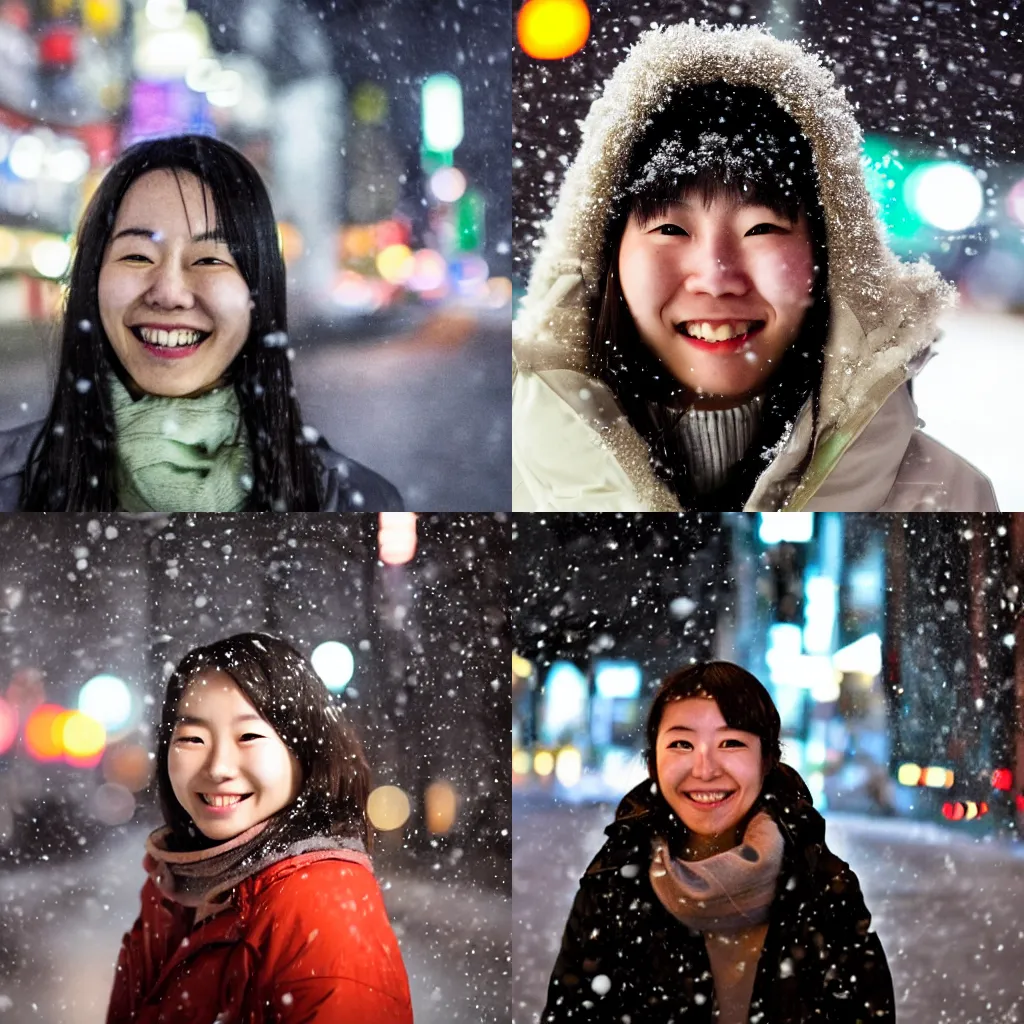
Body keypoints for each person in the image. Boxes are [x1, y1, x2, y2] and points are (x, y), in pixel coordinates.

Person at [512, 22, 997, 512]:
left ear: (830, 258)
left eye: (762, 229)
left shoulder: (947, 495)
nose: (717, 277)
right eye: (671, 230)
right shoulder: (509, 478)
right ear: (604, 255)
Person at [0, 134, 402, 512]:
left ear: (256, 296)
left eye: (209, 260)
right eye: (137, 256)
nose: (170, 292)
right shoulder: (10, 484)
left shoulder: (353, 501)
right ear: (93, 279)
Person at [542, 661, 895, 1024]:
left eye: (731, 743)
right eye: (681, 743)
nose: (705, 769)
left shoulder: (820, 885)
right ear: (653, 763)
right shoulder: (614, 884)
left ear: (767, 760)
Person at [106, 633, 413, 1024]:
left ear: (305, 752)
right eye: (192, 738)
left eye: (248, 736)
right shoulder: (176, 885)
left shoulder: (320, 914)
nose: (217, 767)